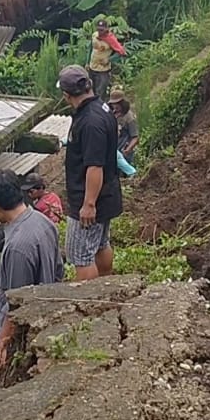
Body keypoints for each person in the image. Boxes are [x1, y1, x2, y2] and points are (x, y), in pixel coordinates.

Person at [0, 170, 64, 369]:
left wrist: (1, 344)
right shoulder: (42, 221)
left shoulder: (18, 247)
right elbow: (58, 270)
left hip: (23, 334)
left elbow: (17, 306)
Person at [57, 65, 123, 278]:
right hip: (107, 191)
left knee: (81, 256)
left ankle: (90, 300)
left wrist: (88, 204)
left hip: (90, 197)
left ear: (67, 95)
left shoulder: (90, 122)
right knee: (101, 243)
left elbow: (95, 166)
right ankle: (105, 285)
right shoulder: (102, 109)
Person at [88, 20, 126, 101]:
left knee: (100, 93)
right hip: (92, 67)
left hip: (103, 70)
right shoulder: (94, 36)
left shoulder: (110, 39)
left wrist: (109, 60)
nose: (100, 32)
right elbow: (90, 48)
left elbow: (121, 52)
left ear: (106, 29)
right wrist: (87, 62)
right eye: (98, 30)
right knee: (91, 91)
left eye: (102, 30)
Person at [110, 90, 140, 163]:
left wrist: (128, 150)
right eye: (113, 104)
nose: (115, 106)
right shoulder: (112, 114)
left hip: (124, 154)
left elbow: (135, 137)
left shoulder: (129, 117)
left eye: (117, 103)